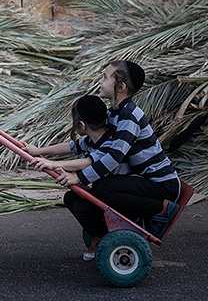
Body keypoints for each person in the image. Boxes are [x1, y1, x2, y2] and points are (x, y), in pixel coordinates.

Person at [49, 61, 181, 260]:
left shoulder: (130, 117)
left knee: (102, 189)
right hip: (142, 181)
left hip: (161, 183)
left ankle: (160, 209)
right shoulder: (114, 115)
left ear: (121, 87)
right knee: (76, 197)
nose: (100, 82)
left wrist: (79, 177)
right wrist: (41, 153)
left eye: (105, 77)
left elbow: (113, 157)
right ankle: (103, 235)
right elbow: (87, 145)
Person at [23, 95, 126, 260]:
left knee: (82, 207)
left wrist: (52, 164)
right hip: (106, 191)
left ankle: (103, 237)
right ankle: (99, 234)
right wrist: (38, 151)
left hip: (118, 195)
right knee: (71, 197)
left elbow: (87, 162)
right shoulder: (93, 138)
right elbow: (70, 147)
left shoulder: (109, 141)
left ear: (82, 125)